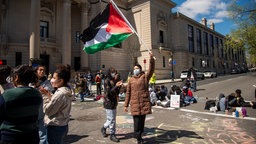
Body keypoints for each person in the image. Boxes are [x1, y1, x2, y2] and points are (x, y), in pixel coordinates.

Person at [0, 64, 42, 143]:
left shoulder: (8, 94)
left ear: (16, 77)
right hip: (32, 136)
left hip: (11, 137)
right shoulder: (37, 94)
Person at [124, 51, 155, 144]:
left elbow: (151, 70)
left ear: (140, 70)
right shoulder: (131, 80)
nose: (135, 70)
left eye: (137, 68)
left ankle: (140, 136)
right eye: (134, 69)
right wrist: (125, 105)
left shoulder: (145, 77)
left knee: (142, 123)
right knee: (137, 123)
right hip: (135, 104)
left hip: (144, 103)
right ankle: (138, 137)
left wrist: (151, 59)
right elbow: (128, 93)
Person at [40, 64, 72, 144]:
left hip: (55, 125)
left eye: (54, 78)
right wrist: (49, 95)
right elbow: (58, 104)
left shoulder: (60, 94)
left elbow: (48, 110)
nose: (51, 80)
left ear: (61, 81)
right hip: (62, 124)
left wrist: (45, 97)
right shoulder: (66, 91)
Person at [101, 67, 123, 142]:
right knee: (112, 120)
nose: (114, 73)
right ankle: (112, 134)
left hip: (114, 102)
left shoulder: (113, 81)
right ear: (109, 73)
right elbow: (109, 93)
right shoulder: (107, 81)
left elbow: (116, 92)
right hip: (108, 102)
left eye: (115, 72)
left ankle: (104, 128)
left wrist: (119, 86)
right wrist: (116, 86)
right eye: (113, 72)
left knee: (111, 119)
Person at [34, 65, 53, 144]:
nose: (42, 72)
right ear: (36, 71)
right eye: (40, 70)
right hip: (32, 110)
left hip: (42, 110)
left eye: (43, 70)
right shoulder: (29, 81)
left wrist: (39, 87)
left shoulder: (46, 81)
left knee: (42, 133)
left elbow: (48, 91)